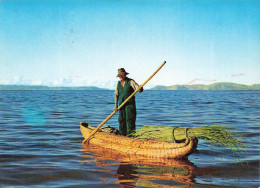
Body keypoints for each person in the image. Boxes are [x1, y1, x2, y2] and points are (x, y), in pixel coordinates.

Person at [114, 68, 143, 136]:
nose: (121, 77)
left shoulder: (131, 81)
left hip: (130, 105)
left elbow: (139, 89)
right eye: (120, 76)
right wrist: (116, 106)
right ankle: (122, 136)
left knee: (130, 121)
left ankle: (130, 137)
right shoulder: (118, 83)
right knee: (121, 121)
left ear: (125, 75)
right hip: (121, 105)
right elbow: (116, 94)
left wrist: (140, 88)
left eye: (122, 75)